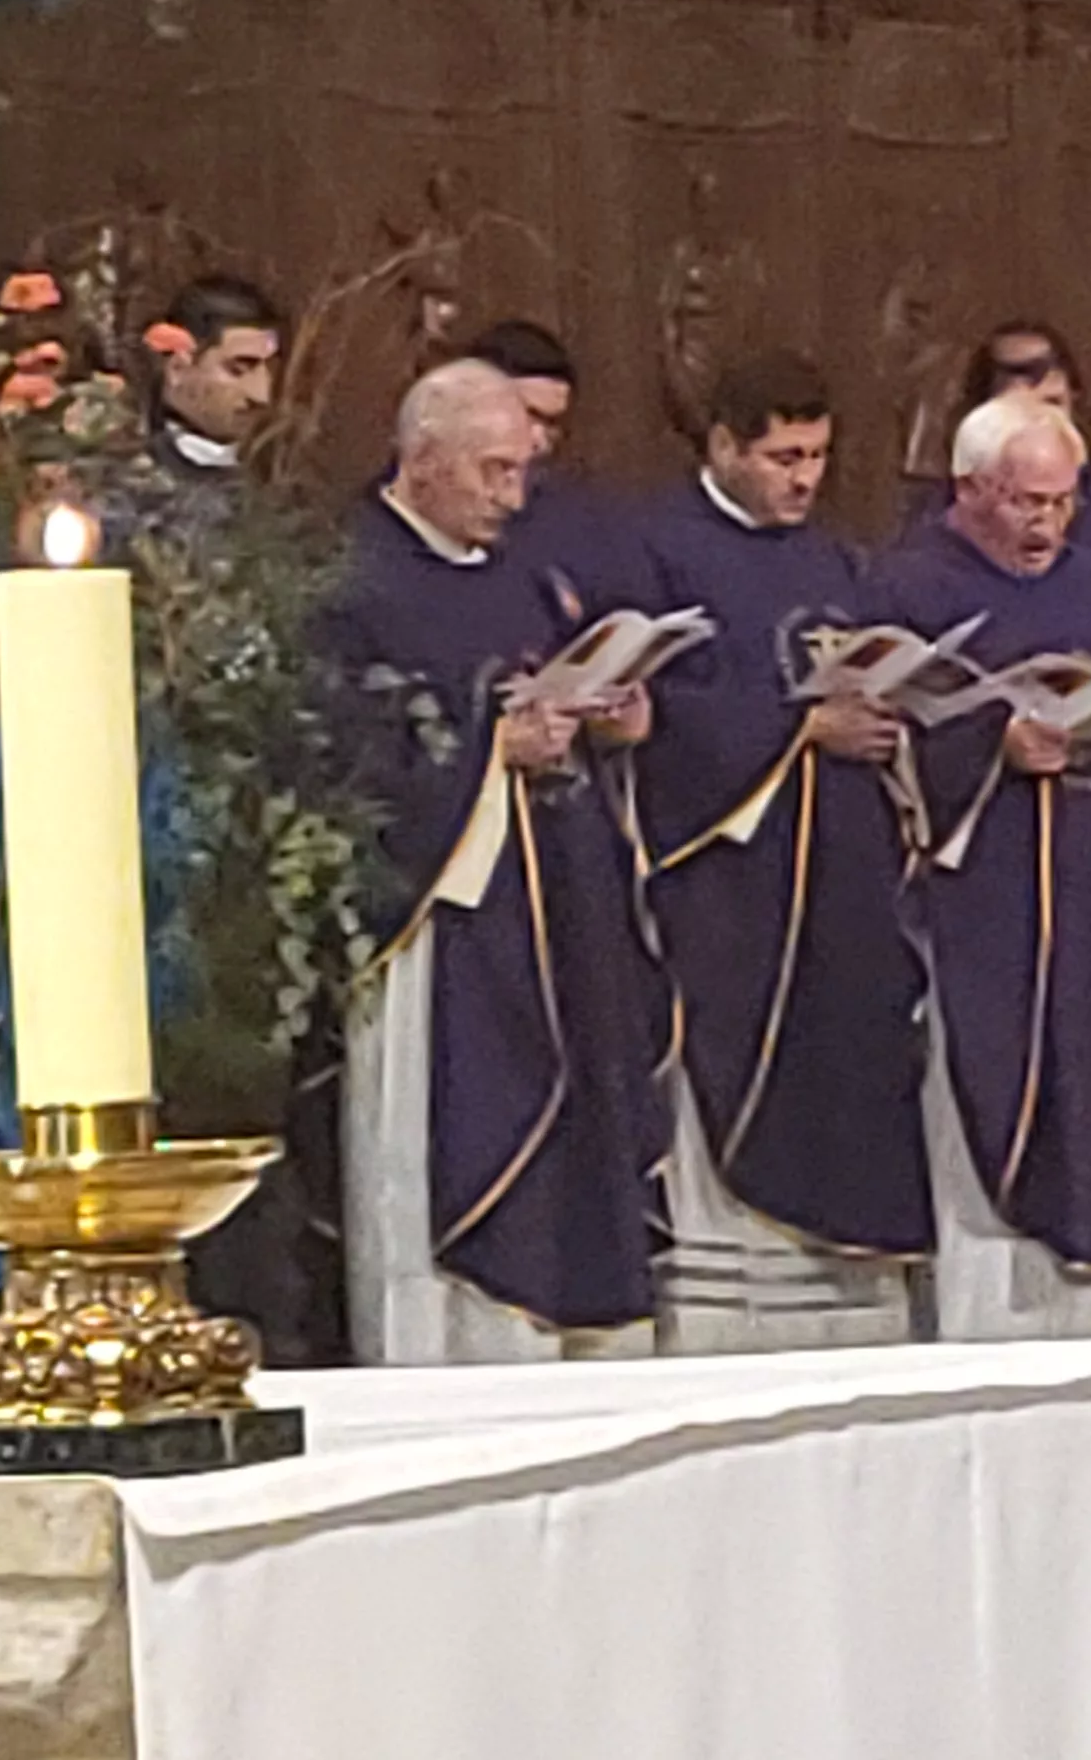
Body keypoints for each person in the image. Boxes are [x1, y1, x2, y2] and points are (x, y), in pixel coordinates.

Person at [317, 363, 663, 1362]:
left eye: (521, 471)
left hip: (556, 907)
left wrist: (611, 719)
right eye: (493, 471)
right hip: (444, 930)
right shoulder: (350, 578)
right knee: (458, 1146)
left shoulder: (524, 577)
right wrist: (490, 750)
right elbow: (341, 758)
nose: (514, 496)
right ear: (422, 458)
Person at [868, 392, 1091, 1338]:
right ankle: (1002, 1333)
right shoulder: (907, 588)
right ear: (969, 489)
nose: (1046, 525)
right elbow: (881, 742)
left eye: (1062, 502)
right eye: (1025, 502)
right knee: (999, 1096)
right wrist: (990, 747)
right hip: (987, 900)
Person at [628, 351, 931, 1351]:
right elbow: (659, 713)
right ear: (724, 444)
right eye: (783, 457)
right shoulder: (660, 554)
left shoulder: (836, 563)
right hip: (733, 892)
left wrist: (887, 721)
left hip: (845, 882)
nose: (805, 478)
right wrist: (800, 729)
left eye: (817, 456)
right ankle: (740, 1319)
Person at [902, 323, 1091, 569]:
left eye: (1052, 404)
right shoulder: (938, 524)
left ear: (1075, 402)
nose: (1040, 423)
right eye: (1016, 408)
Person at [462, 318, 645, 612]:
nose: (540, 440)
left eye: (553, 424)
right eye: (529, 415)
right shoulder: (411, 513)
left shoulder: (579, 523)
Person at [144, 274, 281, 480]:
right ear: (178, 368)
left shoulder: (276, 477)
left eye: (271, 372)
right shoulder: (118, 470)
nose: (262, 396)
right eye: (237, 370)